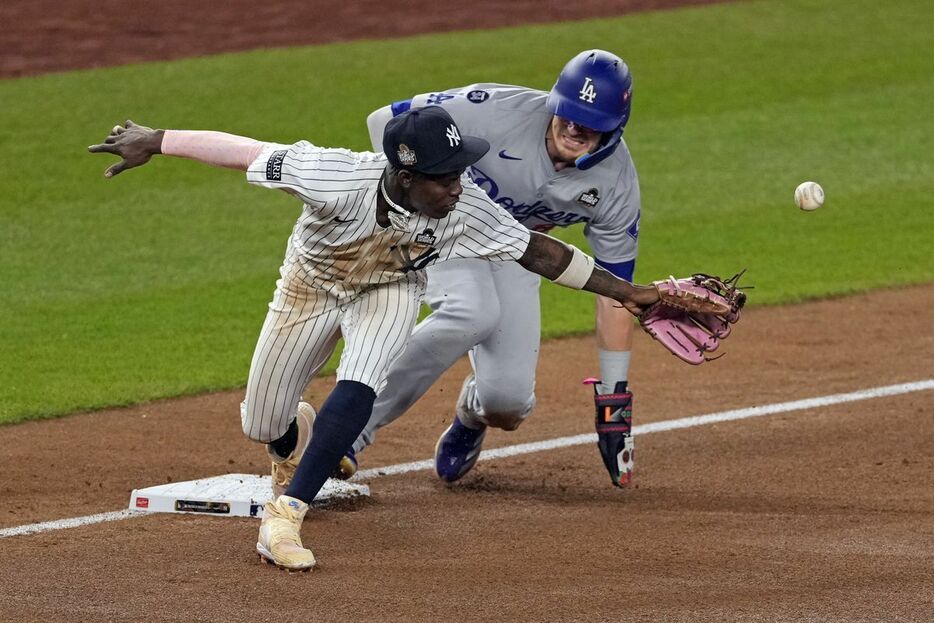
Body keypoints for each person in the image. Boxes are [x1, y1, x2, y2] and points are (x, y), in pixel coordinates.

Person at [89, 106, 666, 571]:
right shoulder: (332, 176)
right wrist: (157, 139)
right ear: (406, 176)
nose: (458, 188)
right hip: (309, 287)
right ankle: (299, 439)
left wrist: (628, 293)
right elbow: (246, 151)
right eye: (445, 179)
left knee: (361, 378)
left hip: (388, 290)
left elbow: (540, 250)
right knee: (262, 424)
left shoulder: (465, 210)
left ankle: (286, 513)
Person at [347, 50, 641, 486]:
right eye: (568, 112)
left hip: (520, 252)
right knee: (471, 311)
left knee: (508, 402)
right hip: (446, 227)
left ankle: (471, 415)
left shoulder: (616, 184)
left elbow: (616, 292)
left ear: (614, 129)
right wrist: (402, 198)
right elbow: (382, 121)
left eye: (590, 121)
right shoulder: (491, 110)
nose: (575, 126)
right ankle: (349, 430)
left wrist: (614, 400)